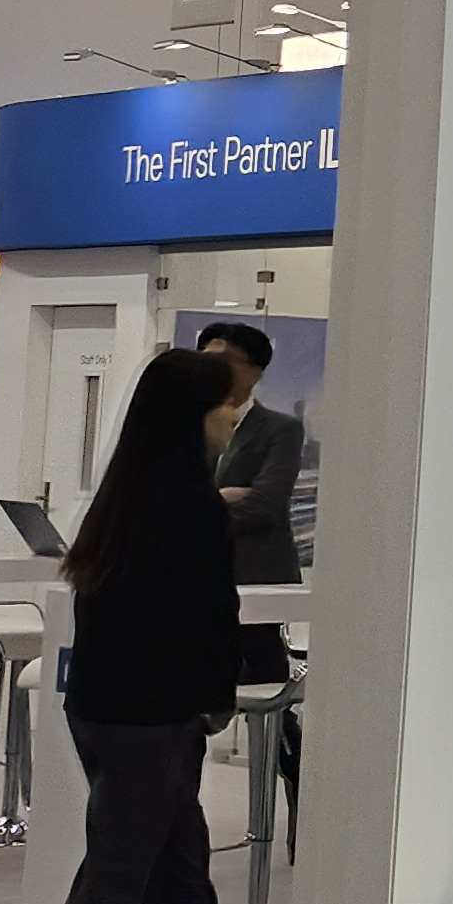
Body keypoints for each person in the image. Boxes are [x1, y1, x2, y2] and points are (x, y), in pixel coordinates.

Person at [0, 348, 289, 904]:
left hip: (106, 708)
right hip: (152, 718)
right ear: (194, 417)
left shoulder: (124, 498)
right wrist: (217, 697)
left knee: (175, 855)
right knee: (113, 882)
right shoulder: (190, 505)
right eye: (225, 407)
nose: (233, 419)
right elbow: (210, 616)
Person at [200, 320, 304, 810]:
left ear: (254, 370)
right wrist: (218, 500)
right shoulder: (194, 423)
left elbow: (265, 504)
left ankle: (301, 795)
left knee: (270, 698)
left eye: (223, 360)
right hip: (202, 580)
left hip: (260, 582)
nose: (210, 369)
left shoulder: (280, 429)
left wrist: (201, 509)